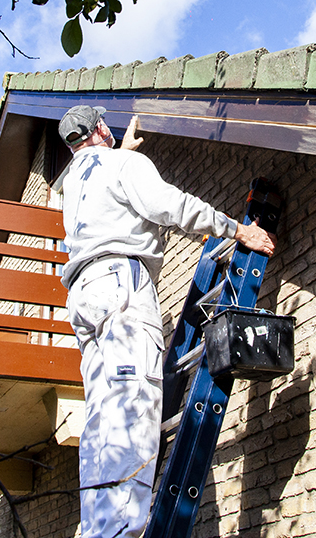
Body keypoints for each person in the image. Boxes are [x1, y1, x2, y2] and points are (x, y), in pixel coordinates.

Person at [56, 104, 275, 538]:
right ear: (102, 127)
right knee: (133, 409)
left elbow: (100, 169)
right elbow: (168, 204)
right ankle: (119, 532)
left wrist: (119, 151)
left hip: (83, 296)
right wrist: (236, 230)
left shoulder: (72, 184)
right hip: (121, 284)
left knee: (102, 419)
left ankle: (96, 529)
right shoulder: (124, 163)